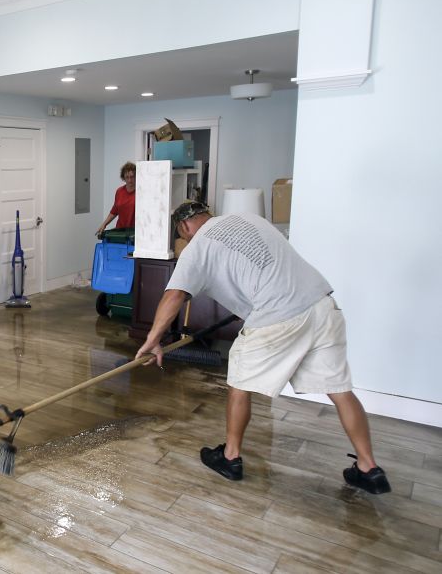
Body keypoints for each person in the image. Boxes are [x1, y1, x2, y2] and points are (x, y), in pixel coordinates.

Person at [135, 201, 390, 494]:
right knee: (340, 390)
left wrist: (153, 339)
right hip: (321, 303)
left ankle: (230, 457)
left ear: (183, 227)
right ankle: (368, 467)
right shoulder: (247, 219)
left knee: (239, 383)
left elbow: (175, 294)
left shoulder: (198, 245)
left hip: (278, 314)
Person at [95, 162, 136, 238]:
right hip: (120, 231)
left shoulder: (141, 192)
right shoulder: (119, 191)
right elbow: (114, 211)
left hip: (134, 233)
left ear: (136, 177)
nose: (130, 180)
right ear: (123, 178)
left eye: (132, 177)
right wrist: (104, 224)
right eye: (127, 177)